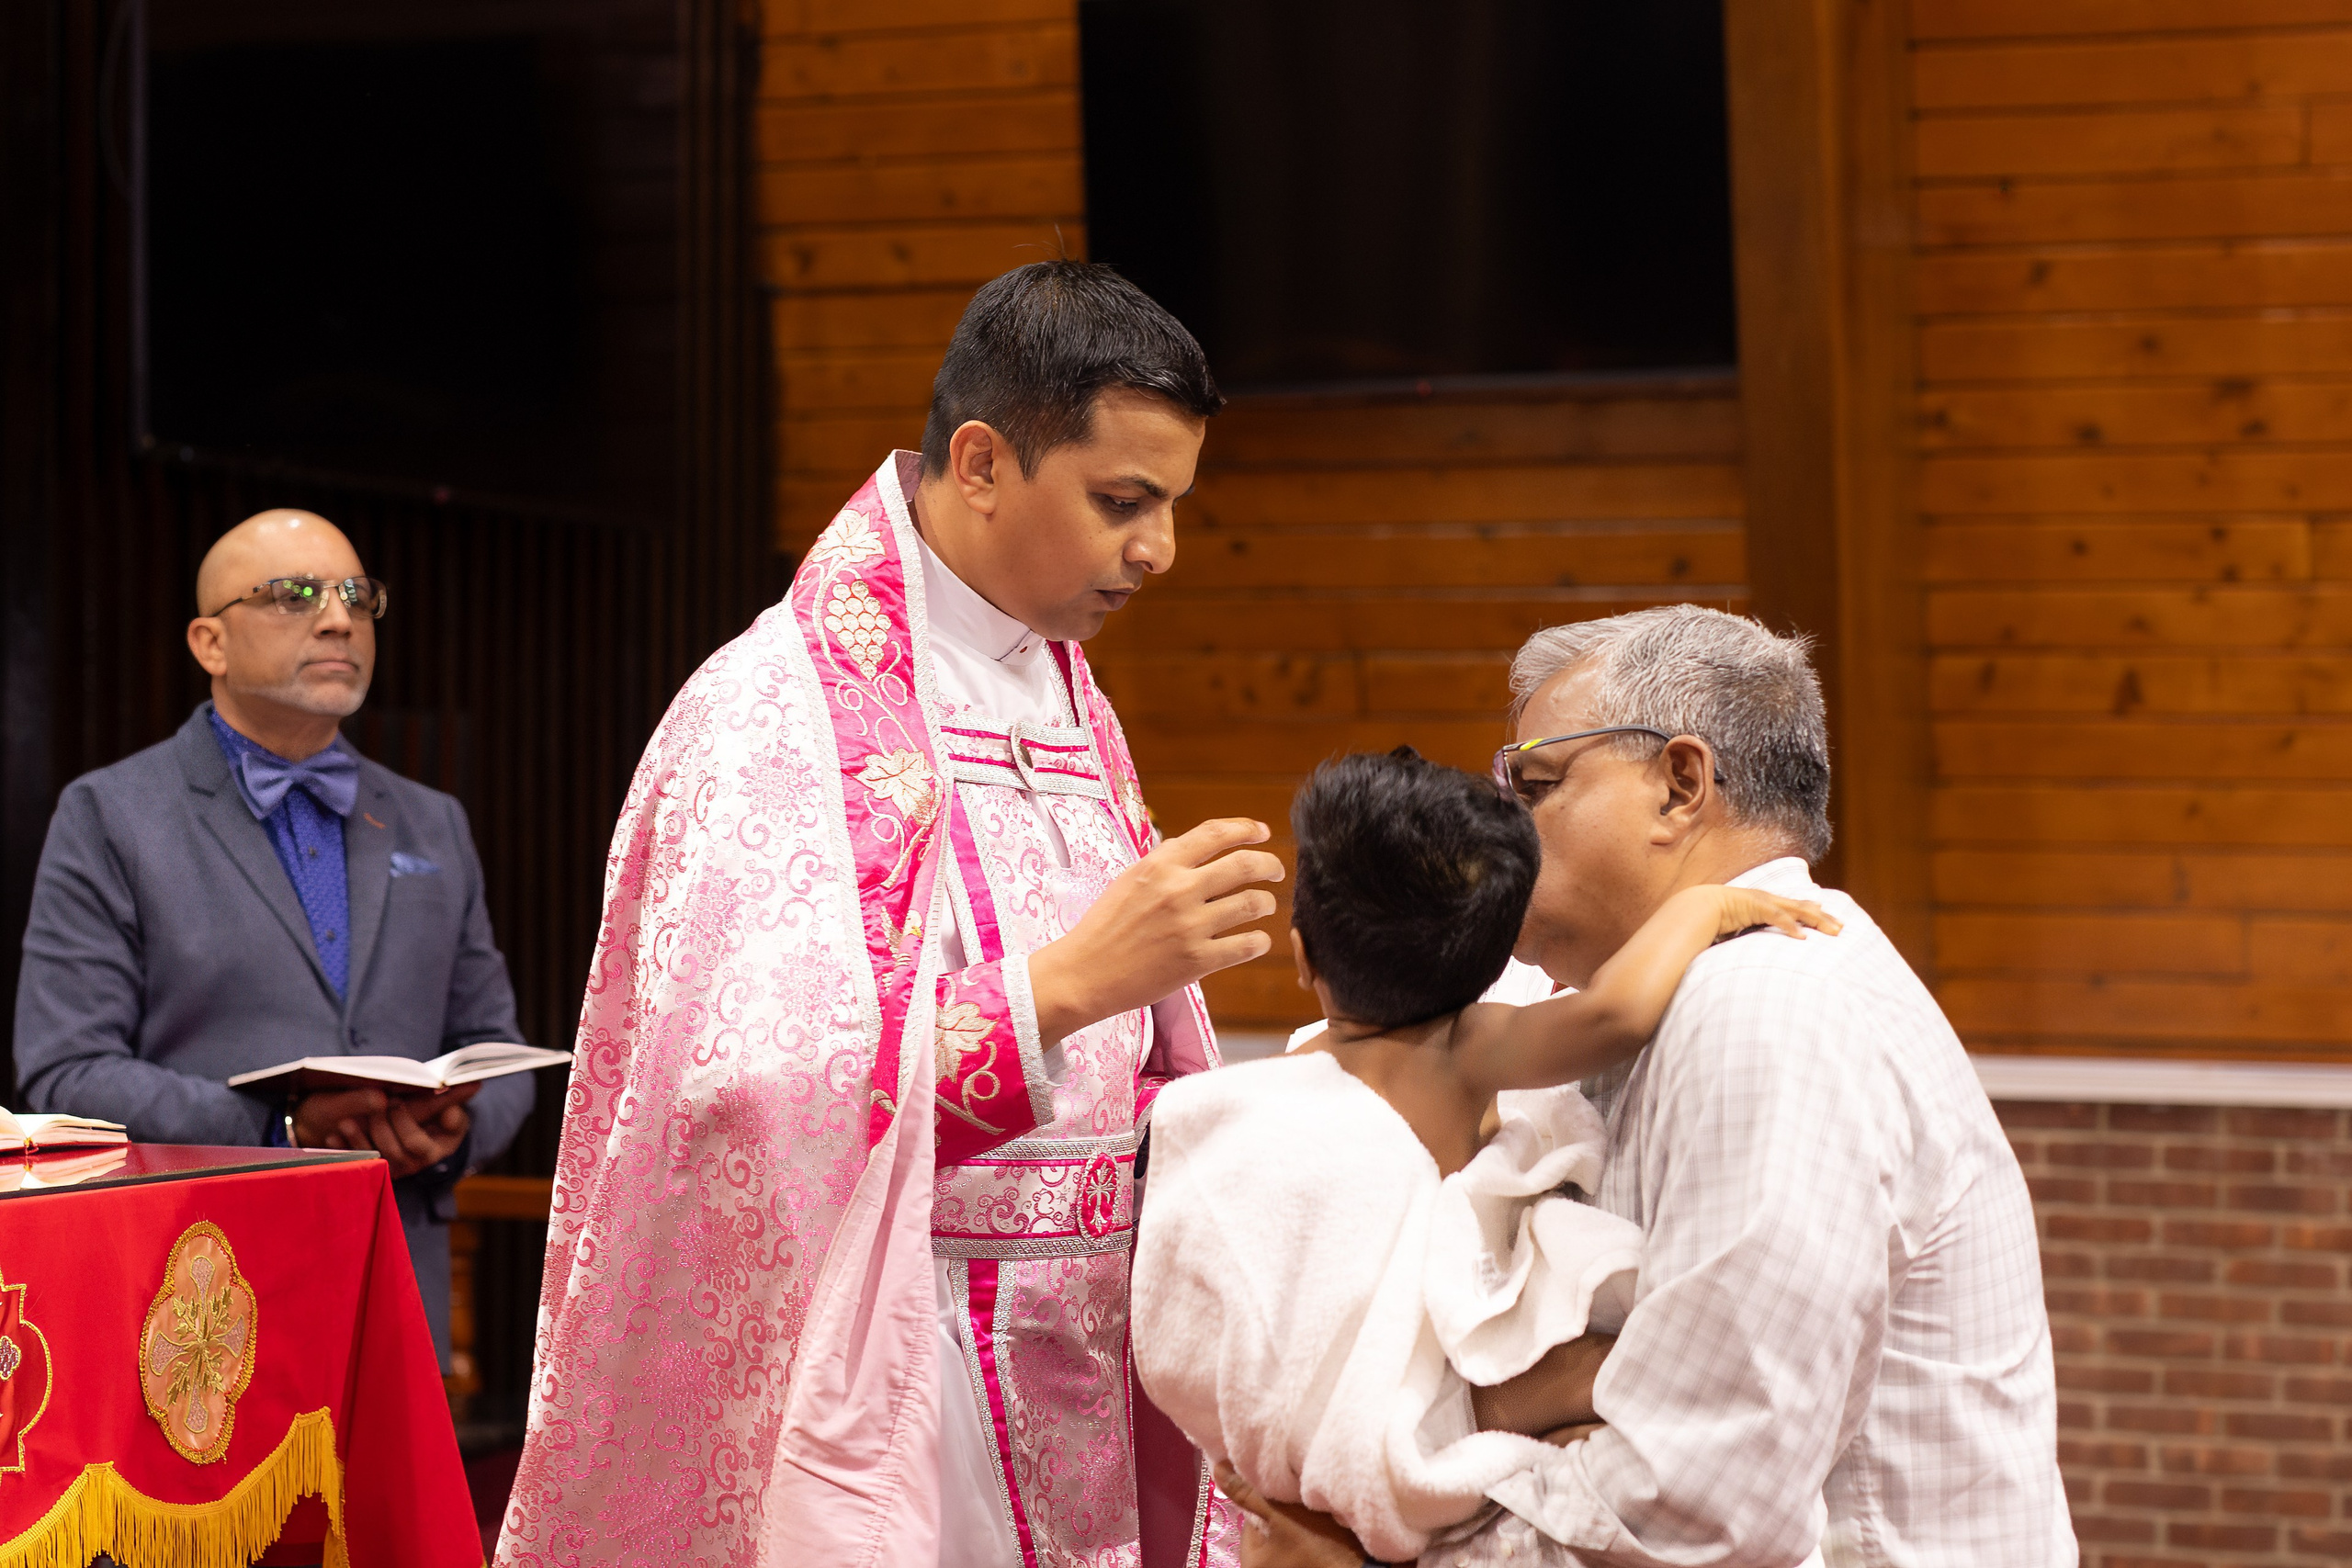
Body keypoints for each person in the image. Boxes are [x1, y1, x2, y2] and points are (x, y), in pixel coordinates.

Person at [497, 262, 1285, 1568]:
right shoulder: (775, 714)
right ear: (980, 461)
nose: (1159, 549)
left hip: (1085, 1348)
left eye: (1172, 506)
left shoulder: (1069, 695)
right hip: (911, 1379)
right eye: (1122, 502)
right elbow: (745, 1102)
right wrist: (1069, 985)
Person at [1221, 604, 2074, 1568]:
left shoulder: (1768, 1009)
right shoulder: (1637, 992)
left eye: (1535, 783)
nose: (1505, 829)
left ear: (1679, 785)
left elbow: (1693, 1511)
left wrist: (1381, 1556)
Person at [1132, 749, 1837, 1563]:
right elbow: (1617, 1011)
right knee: (1597, 1374)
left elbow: (1232, 1266)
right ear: (1491, 959)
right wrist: (1704, 907)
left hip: (1309, 1418)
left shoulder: (1275, 1089)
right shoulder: (1472, 1048)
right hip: (1436, 1379)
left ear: (1302, 955)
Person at [13, 508, 536, 1366]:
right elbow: (66, 1068)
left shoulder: (432, 822)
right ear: (209, 643)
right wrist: (284, 1132)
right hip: (191, 1298)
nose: (339, 618)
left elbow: (495, 1046)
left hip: (394, 1279)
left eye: (357, 597)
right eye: (294, 595)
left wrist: (456, 1134)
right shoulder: (113, 815)